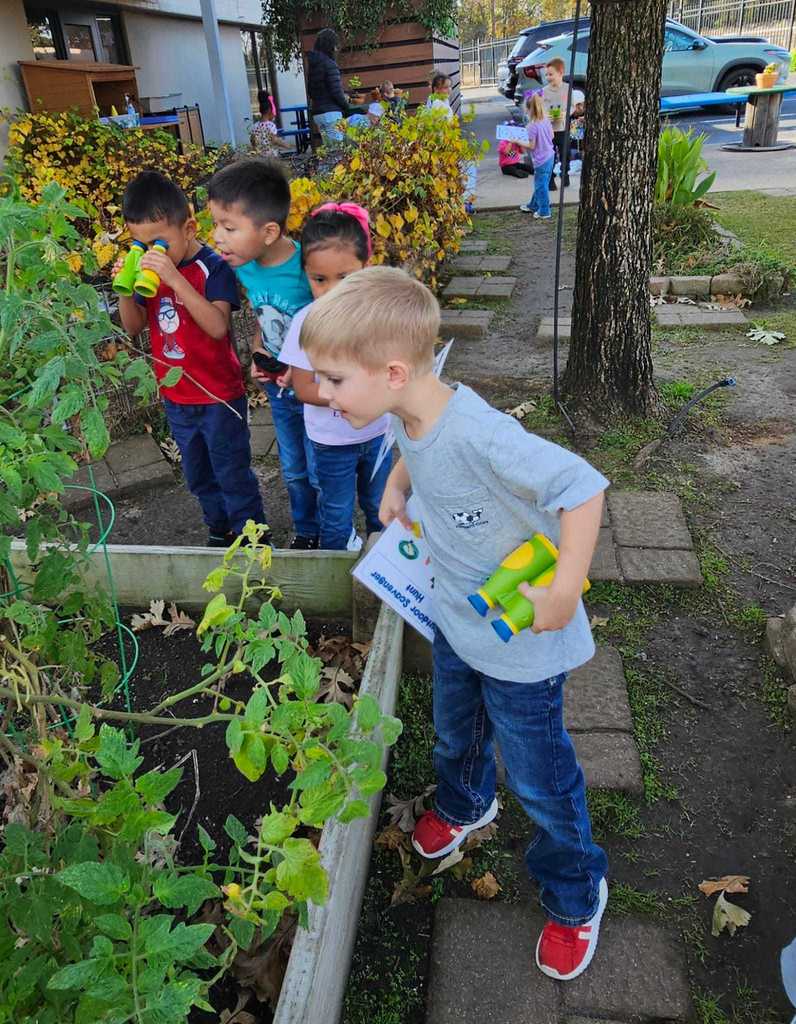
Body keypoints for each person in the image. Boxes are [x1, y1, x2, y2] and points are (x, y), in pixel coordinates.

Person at [300, 265, 609, 983]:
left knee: (539, 778)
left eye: (334, 379)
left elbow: (583, 487)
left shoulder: (480, 434)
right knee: (455, 730)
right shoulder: (408, 406)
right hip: (457, 622)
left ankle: (575, 891)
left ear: (393, 371)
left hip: (524, 644)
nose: (323, 392)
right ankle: (467, 801)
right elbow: (412, 443)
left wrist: (564, 589)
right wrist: (395, 484)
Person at [115, 171, 265, 548]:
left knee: (232, 473)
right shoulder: (149, 269)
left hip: (218, 396)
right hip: (177, 398)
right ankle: (220, 531)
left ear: (189, 228)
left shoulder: (213, 267)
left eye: (158, 243)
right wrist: (124, 289)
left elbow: (217, 326)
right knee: (198, 475)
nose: (150, 253)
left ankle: (254, 541)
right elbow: (133, 327)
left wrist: (175, 280)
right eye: (139, 243)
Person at [206, 158, 319, 550]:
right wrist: (258, 351)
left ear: (269, 231)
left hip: (316, 389)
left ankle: (334, 532)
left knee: (319, 467)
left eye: (228, 227)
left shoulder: (309, 268)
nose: (216, 236)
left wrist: (303, 367)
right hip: (278, 388)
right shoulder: (246, 268)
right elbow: (264, 319)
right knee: (293, 469)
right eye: (216, 225)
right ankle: (307, 532)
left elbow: (332, 326)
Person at [277, 203, 391, 550]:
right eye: (320, 280)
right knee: (336, 514)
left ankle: (386, 563)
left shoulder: (380, 318)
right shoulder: (305, 324)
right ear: (306, 274)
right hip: (332, 443)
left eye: (345, 277)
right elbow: (302, 387)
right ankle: (335, 571)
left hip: (378, 435)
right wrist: (348, 397)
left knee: (381, 506)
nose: (332, 290)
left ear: (366, 268)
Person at [425, 71, 478, 215]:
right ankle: (465, 203)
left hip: (445, 145)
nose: (449, 90)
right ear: (436, 89)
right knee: (469, 167)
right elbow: (442, 129)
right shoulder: (438, 105)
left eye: (450, 86)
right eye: (445, 87)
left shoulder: (439, 101)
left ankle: (460, 202)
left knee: (461, 171)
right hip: (444, 146)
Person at [541, 58, 583, 191]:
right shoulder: (544, 91)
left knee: (565, 153)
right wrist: (546, 115)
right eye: (546, 75)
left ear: (560, 73)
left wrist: (565, 113)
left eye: (551, 74)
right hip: (549, 129)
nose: (548, 77)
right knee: (550, 155)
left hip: (563, 127)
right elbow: (541, 108)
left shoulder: (567, 88)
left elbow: (572, 106)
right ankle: (551, 179)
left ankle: (565, 174)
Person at [307, 28, 350, 145]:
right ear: (330, 46)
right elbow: (336, 92)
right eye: (335, 45)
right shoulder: (329, 64)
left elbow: (310, 90)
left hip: (318, 113)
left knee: (328, 150)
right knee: (338, 149)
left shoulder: (313, 65)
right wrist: (346, 105)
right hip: (331, 114)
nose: (336, 49)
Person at [516, 91, 555, 219]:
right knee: (542, 183)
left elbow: (531, 146)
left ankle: (544, 211)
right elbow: (552, 136)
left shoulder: (531, 126)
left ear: (528, 109)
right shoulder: (546, 120)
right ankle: (533, 205)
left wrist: (517, 141)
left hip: (541, 160)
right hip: (550, 156)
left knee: (540, 186)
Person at [251, 88, 292, 157]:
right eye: (274, 111)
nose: (274, 114)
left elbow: (253, 141)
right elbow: (274, 140)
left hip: (259, 156)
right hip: (271, 156)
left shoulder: (254, 126)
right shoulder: (271, 125)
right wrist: (286, 145)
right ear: (269, 111)